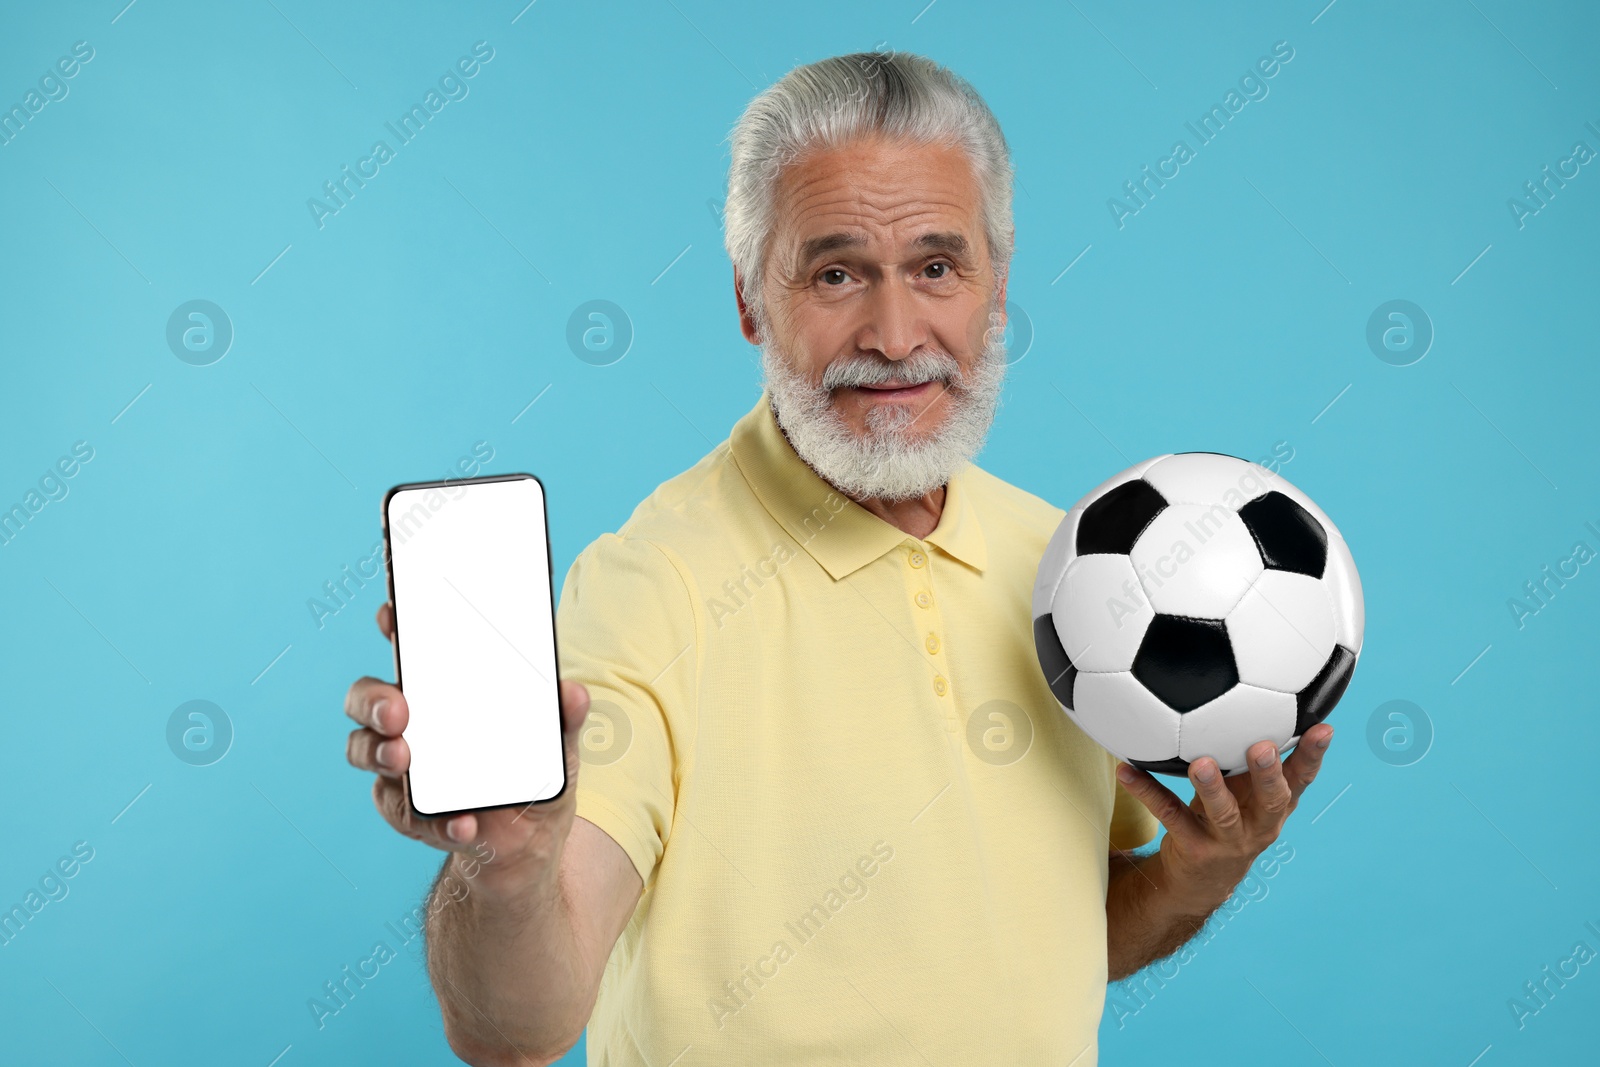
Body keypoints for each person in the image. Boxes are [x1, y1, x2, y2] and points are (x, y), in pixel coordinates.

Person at [344, 50, 1335, 1066]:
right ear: (748, 301)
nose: (897, 335)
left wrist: (1197, 868)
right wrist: (509, 871)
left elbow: (1049, 951)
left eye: (936, 267)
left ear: (996, 286)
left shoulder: (1073, 569)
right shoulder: (653, 585)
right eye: (835, 272)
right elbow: (517, 1027)